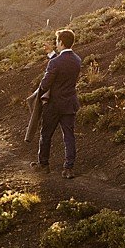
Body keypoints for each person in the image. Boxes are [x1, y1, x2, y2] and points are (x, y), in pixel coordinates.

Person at [33, 29, 83, 175]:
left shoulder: (55, 63)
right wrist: (51, 54)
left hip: (54, 105)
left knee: (46, 134)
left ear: (61, 42)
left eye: (57, 42)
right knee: (69, 136)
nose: (56, 44)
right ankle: (69, 168)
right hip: (69, 103)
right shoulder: (77, 60)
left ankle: (43, 165)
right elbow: (63, 65)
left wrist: (39, 93)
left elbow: (45, 84)